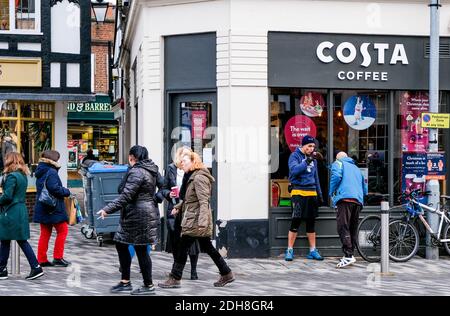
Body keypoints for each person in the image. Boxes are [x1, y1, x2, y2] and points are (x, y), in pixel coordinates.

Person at [158, 152, 234, 288]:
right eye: (181, 162)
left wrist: (203, 223)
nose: (182, 164)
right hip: (193, 218)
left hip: (196, 220)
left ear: (194, 161)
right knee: (208, 248)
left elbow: (204, 202)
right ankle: (226, 272)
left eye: (185, 161)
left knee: (182, 248)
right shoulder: (191, 176)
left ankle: (175, 278)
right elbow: (189, 199)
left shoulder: (199, 177)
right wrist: (178, 207)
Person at [97, 145, 160, 295]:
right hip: (136, 214)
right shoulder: (149, 169)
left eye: (129, 156)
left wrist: (107, 209)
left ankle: (148, 285)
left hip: (139, 215)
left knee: (140, 249)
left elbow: (126, 196)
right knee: (121, 244)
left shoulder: (138, 171)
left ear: (133, 157)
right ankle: (125, 281)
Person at [0, 152, 44, 280]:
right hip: (19, 209)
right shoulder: (22, 175)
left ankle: (36, 267)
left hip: (11, 211)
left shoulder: (12, 177)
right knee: (7, 239)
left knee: (18, 240)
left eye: (6, 159)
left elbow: (7, 196)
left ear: (10, 161)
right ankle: (2, 269)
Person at [159, 147, 200, 280]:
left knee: (192, 242)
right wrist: (168, 194)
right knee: (176, 241)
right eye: (183, 156)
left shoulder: (193, 170)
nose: (185, 159)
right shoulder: (171, 168)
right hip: (174, 209)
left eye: (188, 156)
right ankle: (178, 269)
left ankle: (193, 270)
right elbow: (164, 188)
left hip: (189, 209)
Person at [285, 135, 324, 261]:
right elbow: (294, 170)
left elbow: (316, 177)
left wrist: (320, 195)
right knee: (295, 221)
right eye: (309, 146)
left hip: (311, 193)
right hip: (298, 192)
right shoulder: (294, 156)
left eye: (313, 146)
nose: (312, 149)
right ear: (303, 145)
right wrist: (307, 161)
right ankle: (290, 250)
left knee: (311, 223)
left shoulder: (314, 158)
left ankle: (312, 250)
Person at [33, 150, 72, 267]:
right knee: (63, 230)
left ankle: (41, 259)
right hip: (53, 207)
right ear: (54, 160)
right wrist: (66, 191)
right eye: (58, 159)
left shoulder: (41, 170)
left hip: (43, 205)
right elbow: (54, 188)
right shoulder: (51, 171)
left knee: (45, 233)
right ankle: (58, 257)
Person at [329, 152, 367, 268]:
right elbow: (364, 186)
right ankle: (350, 254)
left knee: (343, 226)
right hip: (357, 200)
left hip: (345, 199)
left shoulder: (338, 163)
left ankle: (348, 256)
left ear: (337, 158)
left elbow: (336, 177)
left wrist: (331, 192)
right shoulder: (356, 168)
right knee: (352, 227)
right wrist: (362, 197)